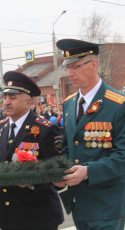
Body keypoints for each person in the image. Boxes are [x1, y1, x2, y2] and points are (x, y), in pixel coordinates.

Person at [53, 39, 125, 230]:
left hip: (107, 205)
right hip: (80, 205)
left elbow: (122, 156)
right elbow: (69, 148)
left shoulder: (118, 104)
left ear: (94, 64)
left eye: (75, 67)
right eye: (67, 68)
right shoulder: (69, 104)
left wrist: (88, 171)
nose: (70, 74)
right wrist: (60, 173)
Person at [0, 71, 64, 230]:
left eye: (13, 97)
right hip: (9, 215)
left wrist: (31, 181)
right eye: (5, 97)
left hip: (39, 216)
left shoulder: (46, 129)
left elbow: (58, 173)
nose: (6, 102)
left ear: (28, 102)